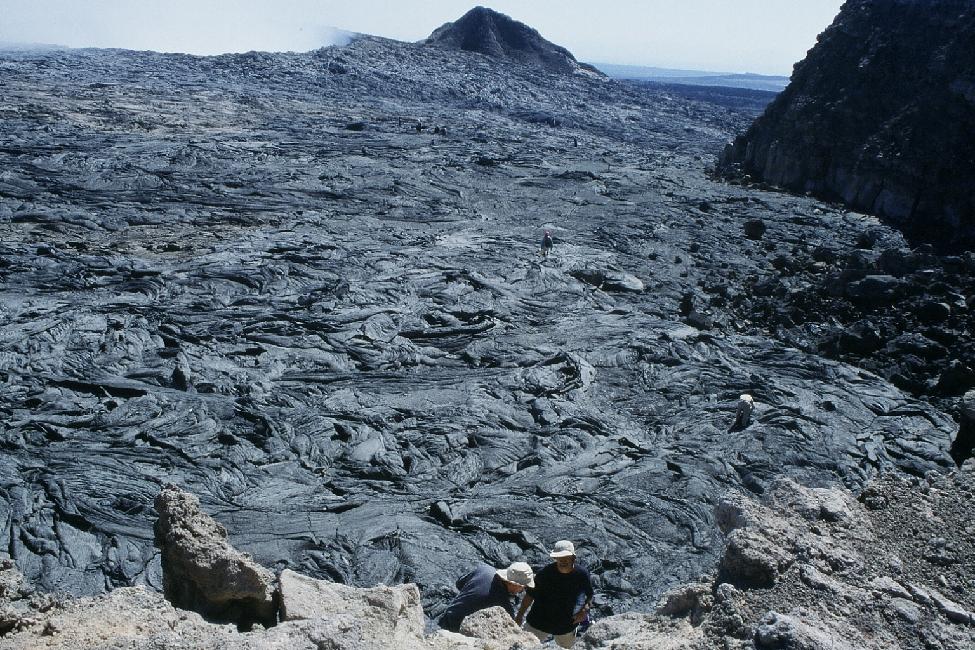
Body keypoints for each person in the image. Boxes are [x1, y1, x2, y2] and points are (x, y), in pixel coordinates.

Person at [516, 540, 594, 648]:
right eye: (559, 557)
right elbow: (529, 595)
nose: (562, 560)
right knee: (525, 646)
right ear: (555, 558)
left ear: (573, 557)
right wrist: (519, 616)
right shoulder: (544, 574)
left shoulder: (582, 575)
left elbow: (590, 595)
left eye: (566, 557)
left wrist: (585, 610)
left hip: (566, 624)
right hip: (539, 621)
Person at [438, 561, 535, 633]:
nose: (523, 590)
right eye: (524, 587)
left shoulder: (485, 569)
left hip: (448, 614)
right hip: (455, 627)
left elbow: (459, 584)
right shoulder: (503, 605)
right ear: (515, 585)